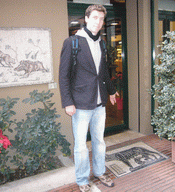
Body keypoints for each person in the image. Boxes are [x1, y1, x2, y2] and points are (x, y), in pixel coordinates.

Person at [59, 4, 118, 192]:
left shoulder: (101, 42)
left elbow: (103, 72)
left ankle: (100, 172)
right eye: (95, 18)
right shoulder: (72, 42)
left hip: (99, 103)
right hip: (81, 104)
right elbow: (63, 76)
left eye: (101, 19)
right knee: (81, 147)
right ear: (86, 19)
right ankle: (82, 179)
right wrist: (67, 102)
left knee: (99, 142)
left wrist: (111, 90)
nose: (98, 22)